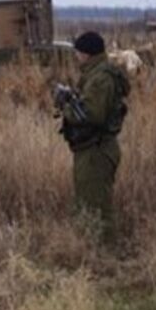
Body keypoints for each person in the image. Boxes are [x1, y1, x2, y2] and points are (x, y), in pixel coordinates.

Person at [56, 31, 130, 249]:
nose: (76, 56)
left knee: (96, 206)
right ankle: (90, 250)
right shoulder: (96, 74)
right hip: (92, 149)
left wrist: (66, 106)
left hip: (97, 151)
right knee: (87, 202)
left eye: (78, 52)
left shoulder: (101, 78)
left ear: (86, 54)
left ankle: (104, 255)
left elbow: (92, 115)